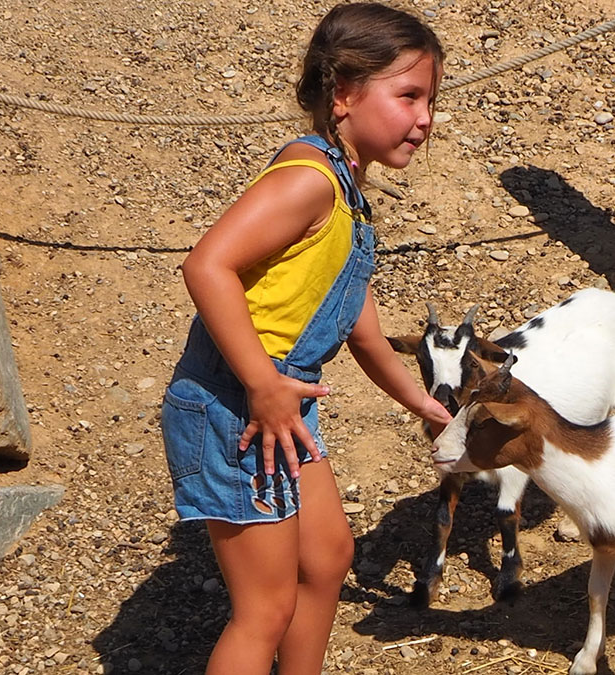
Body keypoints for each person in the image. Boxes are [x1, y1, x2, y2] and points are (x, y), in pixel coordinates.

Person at [159, 4, 450, 674]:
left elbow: (361, 324)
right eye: (408, 96)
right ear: (343, 94)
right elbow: (207, 264)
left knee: (326, 557)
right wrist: (263, 385)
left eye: (431, 100)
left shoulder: (347, 192)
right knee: (263, 610)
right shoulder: (308, 180)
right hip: (238, 402)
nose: (425, 118)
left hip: (279, 403)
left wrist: (421, 401)